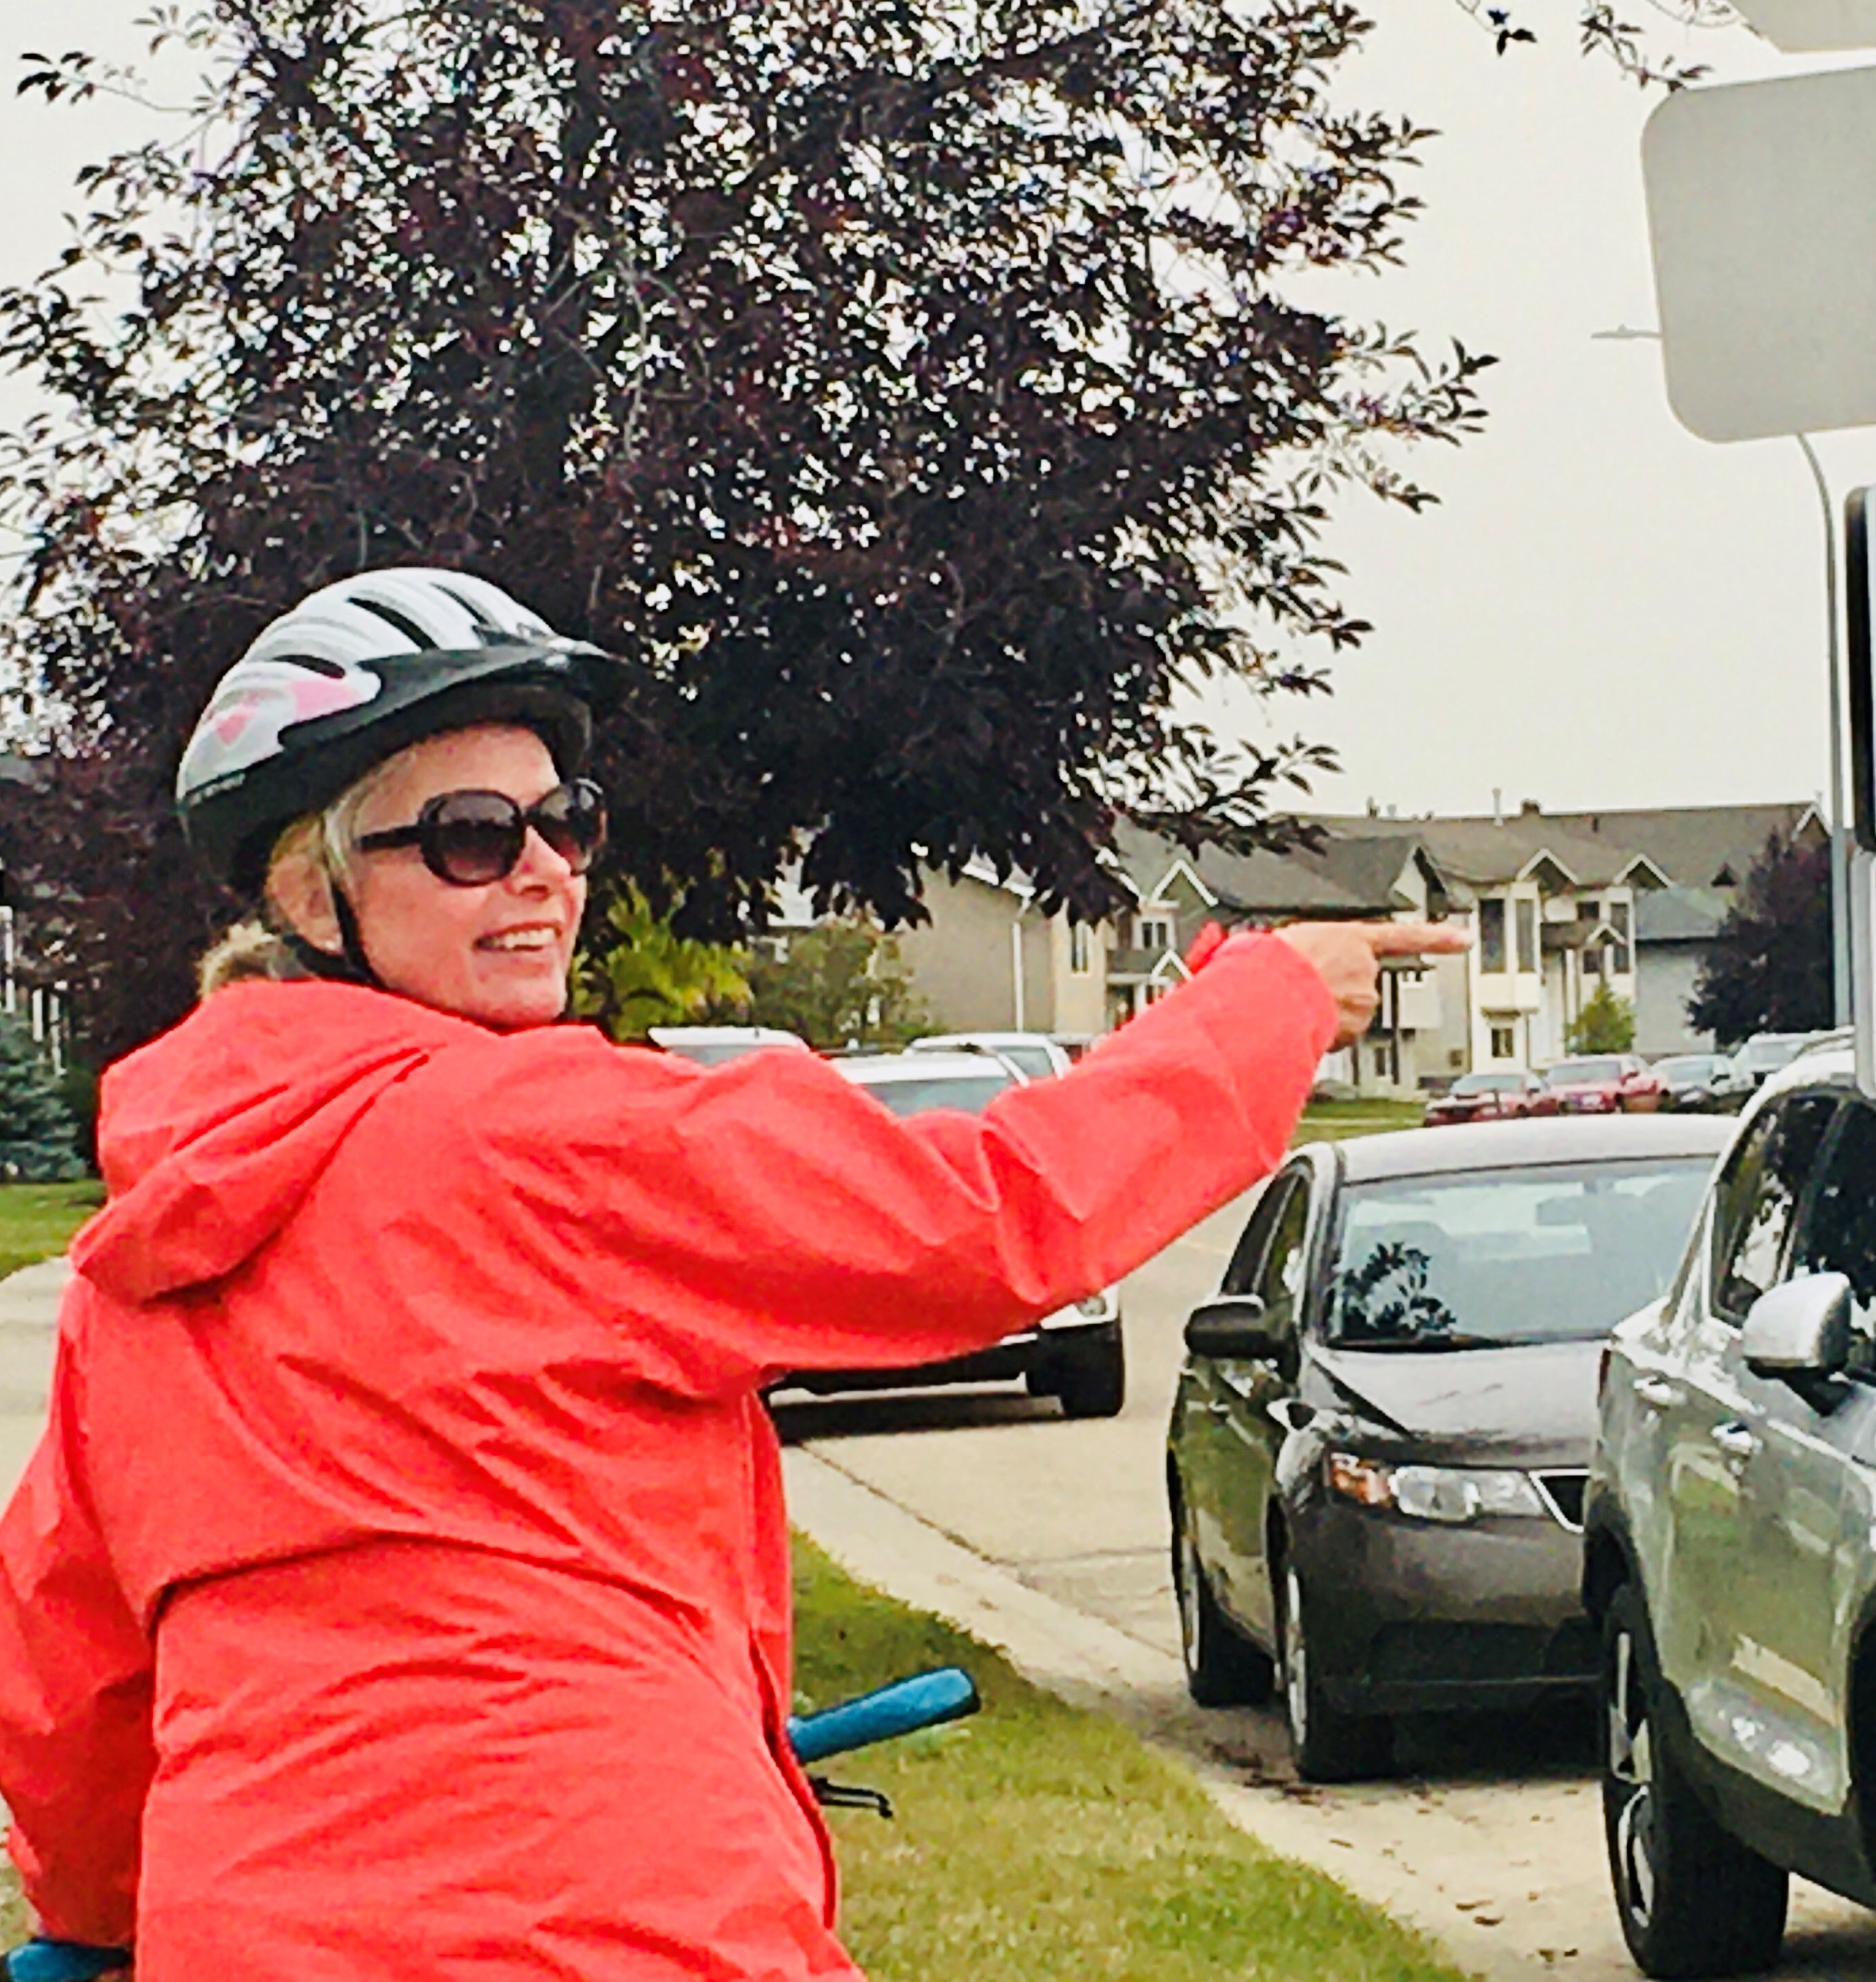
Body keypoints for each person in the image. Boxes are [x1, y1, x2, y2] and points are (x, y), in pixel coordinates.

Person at [0, 568, 1461, 1980]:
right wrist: (1265, 1010)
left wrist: (108, 1923)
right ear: (310, 893)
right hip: (612, 1926)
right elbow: (993, 1215)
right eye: (465, 835)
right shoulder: (546, 1135)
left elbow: (67, 1677)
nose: (542, 871)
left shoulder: (136, 1266)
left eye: (565, 822)